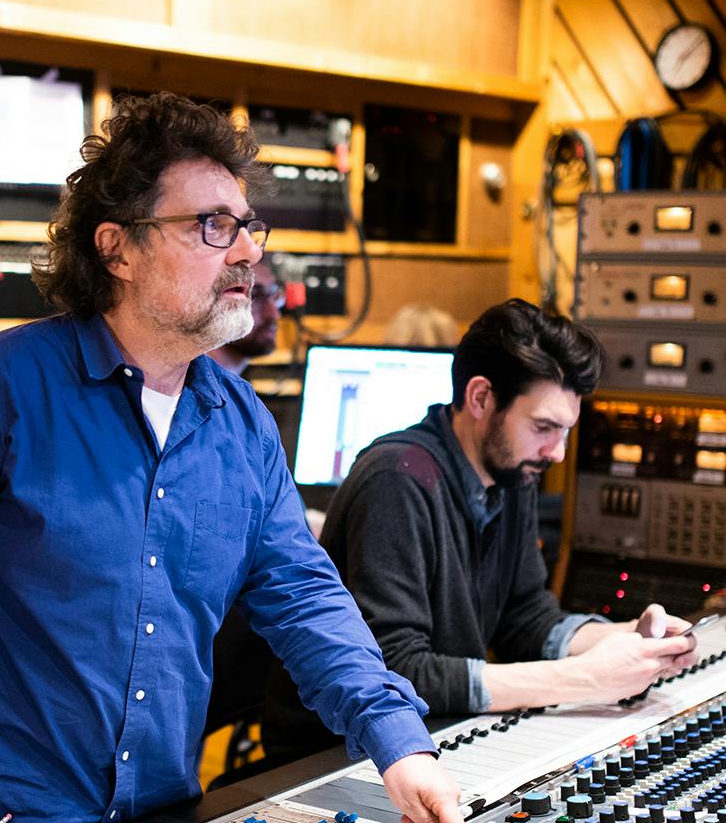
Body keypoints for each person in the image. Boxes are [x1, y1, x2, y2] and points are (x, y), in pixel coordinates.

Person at [0, 93, 485, 823]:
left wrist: (399, 743)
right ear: (118, 248)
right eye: (211, 226)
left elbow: (303, 595)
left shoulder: (241, 421)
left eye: (248, 225)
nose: (246, 251)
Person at [263, 300, 699, 764]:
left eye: (565, 431)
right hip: (337, 755)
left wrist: (626, 640)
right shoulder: (396, 479)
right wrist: (586, 678)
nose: (556, 452)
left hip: (435, 734)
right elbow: (397, 671)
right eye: (544, 427)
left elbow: (525, 618)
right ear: (481, 398)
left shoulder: (511, 473)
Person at [208, 256, 282, 373]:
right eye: (255, 295)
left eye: (274, 295)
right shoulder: (185, 381)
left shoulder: (226, 382)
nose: (274, 314)